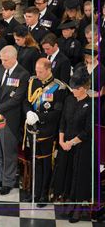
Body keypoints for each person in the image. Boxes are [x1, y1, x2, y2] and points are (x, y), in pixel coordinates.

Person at [23, 58, 67, 207]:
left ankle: (44, 194)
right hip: (31, 128)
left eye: (40, 71)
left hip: (47, 131)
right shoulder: (33, 81)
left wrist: (38, 117)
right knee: (34, 161)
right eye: (36, 70)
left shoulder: (59, 87)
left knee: (45, 163)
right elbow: (26, 101)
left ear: (48, 70)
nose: (37, 73)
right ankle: (34, 192)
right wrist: (29, 112)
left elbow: (57, 113)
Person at [50, 67, 92, 223]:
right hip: (65, 143)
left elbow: (87, 131)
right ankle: (68, 201)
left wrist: (70, 143)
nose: (72, 90)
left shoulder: (91, 105)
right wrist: (61, 140)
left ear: (83, 89)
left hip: (81, 146)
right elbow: (62, 122)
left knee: (78, 177)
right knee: (66, 174)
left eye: (75, 88)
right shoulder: (69, 99)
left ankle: (78, 209)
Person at [0, 46, 30, 195]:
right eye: (1, 59)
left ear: (14, 58)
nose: (3, 62)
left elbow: (16, 99)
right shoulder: (0, 69)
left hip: (10, 118)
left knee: (9, 151)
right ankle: (0, 177)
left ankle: (8, 181)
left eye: (6, 60)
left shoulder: (22, 74)